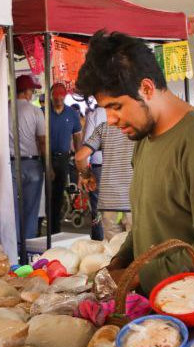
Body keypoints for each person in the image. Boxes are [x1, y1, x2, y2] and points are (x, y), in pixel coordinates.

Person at [75, 31, 194, 293]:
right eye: (105, 109)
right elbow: (146, 221)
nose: (109, 119)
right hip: (153, 305)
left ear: (146, 88)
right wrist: (122, 261)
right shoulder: (144, 138)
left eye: (116, 106)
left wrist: (137, 276)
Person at [76, 104, 136, 239]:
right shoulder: (139, 129)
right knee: (137, 254)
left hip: (109, 203)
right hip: (134, 202)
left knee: (113, 253)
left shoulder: (103, 128)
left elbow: (80, 157)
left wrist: (86, 175)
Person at [46, 83, 82, 233]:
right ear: (51, 95)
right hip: (46, 158)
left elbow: (77, 138)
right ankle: (44, 228)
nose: (58, 98)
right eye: (55, 94)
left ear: (65, 95)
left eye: (61, 94)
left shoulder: (72, 114)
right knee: (46, 196)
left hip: (63, 158)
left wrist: (80, 160)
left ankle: (55, 230)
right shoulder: (43, 112)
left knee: (59, 195)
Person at [14, 74, 45, 240]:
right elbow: (42, 140)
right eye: (32, 91)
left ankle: (15, 245)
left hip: (9, 164)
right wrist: (48, 166)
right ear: (26, 92)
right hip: (32, 164)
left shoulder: (4, 108)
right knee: (31, 208)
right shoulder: (35, 111)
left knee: (12, 208)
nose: (32, 94)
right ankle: (29, 246)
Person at [81, 100, 107, 240]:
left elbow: (86, 145)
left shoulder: (95, 115)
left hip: (99, 165)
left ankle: (99, 243)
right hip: (123, 166)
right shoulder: (125, 112)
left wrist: (85, 174)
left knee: (98, 207)